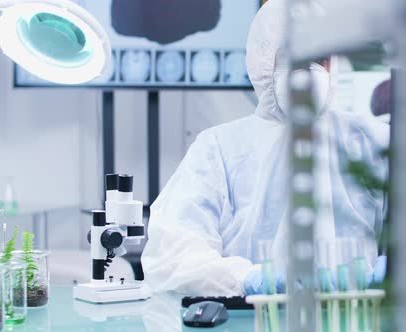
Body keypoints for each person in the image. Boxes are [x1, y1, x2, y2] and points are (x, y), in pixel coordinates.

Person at [141, 0, 389, 296]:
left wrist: (394, 271)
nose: (307, 71)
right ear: (261, 63)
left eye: (318, 58)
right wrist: (250, 279)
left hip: (356, 317)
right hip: (250, 318)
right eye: (289, 56)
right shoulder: (219, 149)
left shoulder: (373, 140)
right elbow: (173, 252)